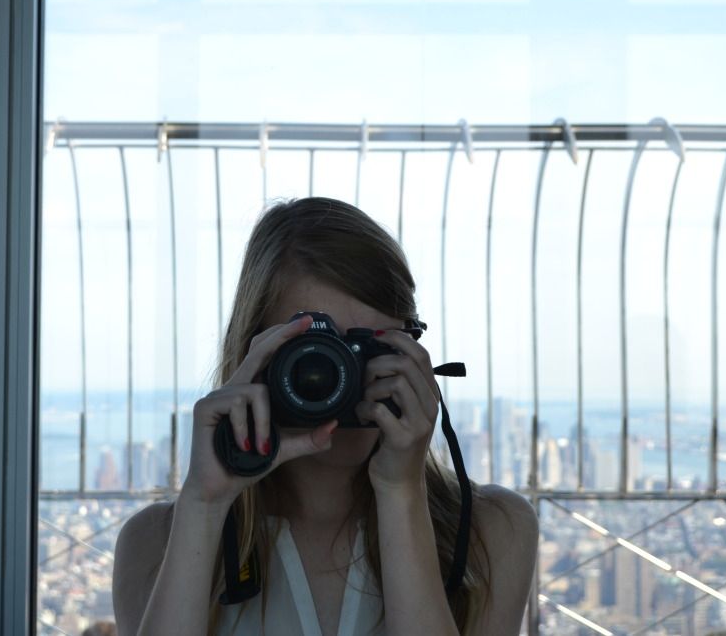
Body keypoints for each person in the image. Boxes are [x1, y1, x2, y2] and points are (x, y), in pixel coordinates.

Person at [112, 197, 538, 635]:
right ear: (253, 357)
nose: (340, 376)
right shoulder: (156, 544)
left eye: (365, 348)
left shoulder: (490, 532)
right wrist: (204, 507)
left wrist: (401, 491)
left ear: (412, 353)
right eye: (315, 353)